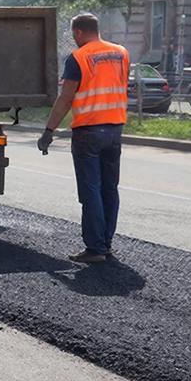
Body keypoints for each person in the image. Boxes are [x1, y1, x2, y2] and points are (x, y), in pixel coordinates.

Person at [38, 13, 130, 264]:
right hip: (115, 129)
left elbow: (66, 98)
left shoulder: (78, 57)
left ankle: (95, 248)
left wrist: (49, 131)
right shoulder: (121, 53)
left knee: (91, 191)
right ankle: (106, 244)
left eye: (73, 35)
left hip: (88, 132)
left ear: (78, 32)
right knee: (109, 188)